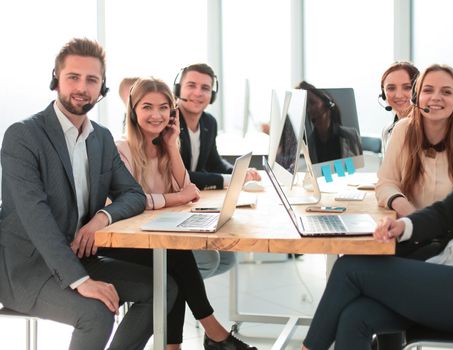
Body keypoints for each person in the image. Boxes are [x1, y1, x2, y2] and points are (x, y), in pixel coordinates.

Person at [301, 64, 453, 350]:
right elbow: (446, 210)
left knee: (350, 267)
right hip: (447, 266)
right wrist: (403, 225)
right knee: (354, 317)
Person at [0, 38, 177, 350]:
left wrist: (101, 218)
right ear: (56, 79)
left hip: (80, 256)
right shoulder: (23, 136)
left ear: (102, 87)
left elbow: (133, 194)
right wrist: (81, 282)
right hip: (27, 270)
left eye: (91, 80)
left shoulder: (102, 138)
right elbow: (35, 217)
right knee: (97, 313)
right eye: (73, 77)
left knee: (165, 289)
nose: (82, 87)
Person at [99, 76, 257, 350]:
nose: (156, 115)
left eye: (164, 108)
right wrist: (175, 198)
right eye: (147, 107)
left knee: (173, 260)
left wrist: (172, 146)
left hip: (150, 238)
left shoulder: (165, 149)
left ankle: (179, 346)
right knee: (174, 253)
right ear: (133, 110)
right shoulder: (120, 148)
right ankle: (215, 334)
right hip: (118, 242)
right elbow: (128, 201)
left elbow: (189, 191)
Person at [175, 63, 259, 278]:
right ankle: (174, 290)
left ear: (212, 94)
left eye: (205, 88)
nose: (197, 93)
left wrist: (238, 173)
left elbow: (213, 162)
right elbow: (179, 175)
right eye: (191, 85)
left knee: (228, 258)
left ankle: (178, 284)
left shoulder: (208, 122)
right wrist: (227, 179)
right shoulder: (170, 121)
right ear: (178, 89)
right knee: (209, 260)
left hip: (192, 203)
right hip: (173, 203)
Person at [375, 64, 453, 218]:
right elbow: (386, 182)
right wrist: (410, 213)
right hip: (411, 230)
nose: (435, 98)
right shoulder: (402, 131)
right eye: (427, 90)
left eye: (446, 92)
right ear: (416, 97)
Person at [297, 81, 363, 164]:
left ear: (326, 103)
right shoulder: (308, 144)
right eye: (306, 106)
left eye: (312, 102)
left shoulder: (351, 136)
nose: (309, 110)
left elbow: (359, 168)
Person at [379, 61, 420, 154]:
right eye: (391, 88)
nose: (398, 95)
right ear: (383, 94)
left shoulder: (429, 130)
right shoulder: (387, 130)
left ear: (419, 90)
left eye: (407, 87)